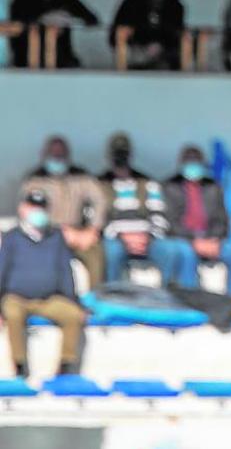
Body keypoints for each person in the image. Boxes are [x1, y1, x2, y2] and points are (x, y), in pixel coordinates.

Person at [0, 190, 88, 378]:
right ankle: (20, 365)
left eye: (41, 207)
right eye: (33, 207)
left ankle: (66, 365)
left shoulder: (56, 237)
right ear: (22, 209)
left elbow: (65, 271)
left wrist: (75, 302)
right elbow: (2, 271)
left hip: (49, 299)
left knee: (72, 315)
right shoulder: (11, 238)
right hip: (17, 297)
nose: (37, 212)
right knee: (13, 314)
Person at [20, 136, 107, 288]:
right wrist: (59, 233)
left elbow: (100, 199)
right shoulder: (34, 179)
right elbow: (28, 212)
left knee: (96, 253)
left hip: (78, 234)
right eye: (53, 155)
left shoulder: (80, 176)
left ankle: (95, 302)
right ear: (44, 155)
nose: (57, 159)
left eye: (61, 155)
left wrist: (92, 229)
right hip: (46, 234)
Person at [99, 132, 184, 287]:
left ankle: (167, 300)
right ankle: (113, 298)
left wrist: (148, 237)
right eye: (117, 154)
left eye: (123, 153)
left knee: (170, 250)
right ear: (108, 156)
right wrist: (123, 237)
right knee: (111, 252)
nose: (120, 158)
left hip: (148, 239)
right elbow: (98, 219)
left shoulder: (147, 183)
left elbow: (160, 216)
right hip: (116, 239)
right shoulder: (99, 184)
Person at [162, 145, 231, 297]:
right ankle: (190, 304)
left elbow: (222, 220)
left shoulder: (213, 187)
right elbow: (169, 222)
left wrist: (214, 240)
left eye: (196, 164)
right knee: (185, 253)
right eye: (189, 164)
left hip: (210, 239)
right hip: (182, 239)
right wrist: (194, 241)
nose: (193, 168)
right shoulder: (169, 187)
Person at [110, 0, 186, 70]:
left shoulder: (175, 5)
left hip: (165, 52)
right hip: (135, 49)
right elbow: (119, 30)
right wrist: (141, 46)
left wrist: (160, 46)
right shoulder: (132, 2)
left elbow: (176, 31)